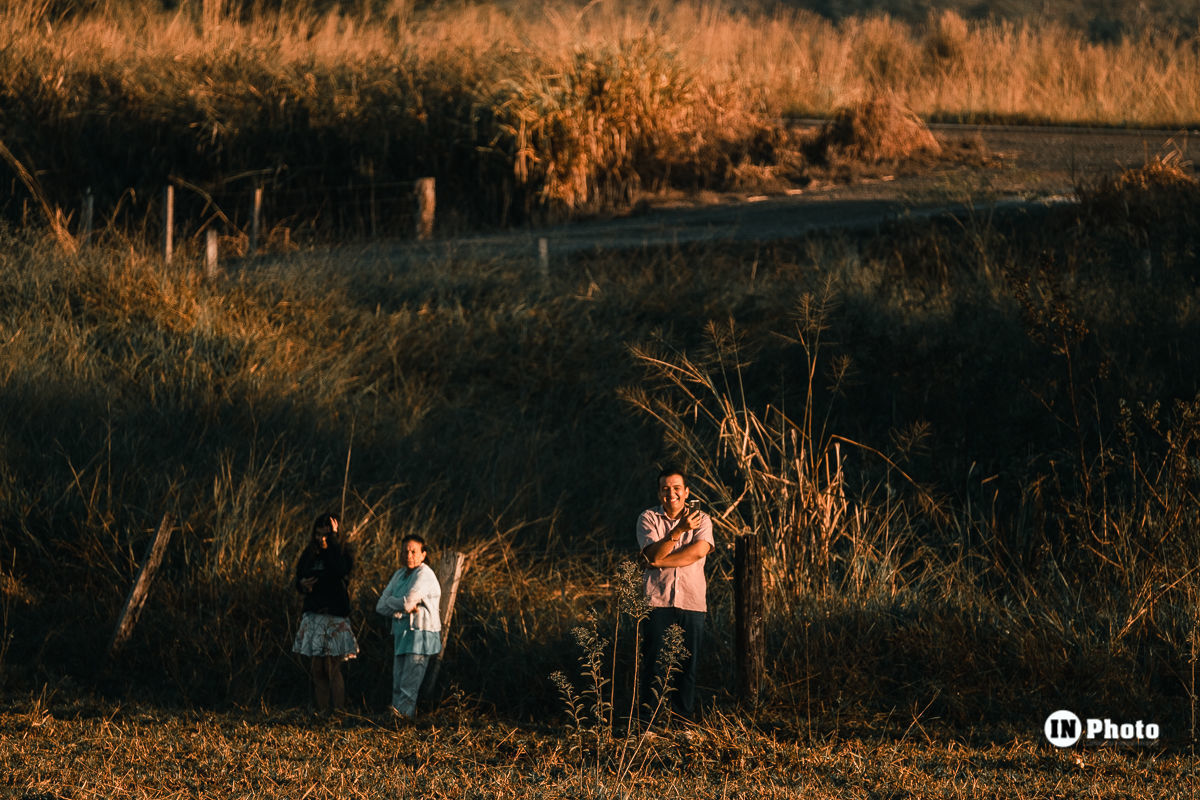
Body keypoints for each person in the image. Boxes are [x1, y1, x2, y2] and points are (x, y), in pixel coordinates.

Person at [637, 467, 714, 722]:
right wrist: (677, 531)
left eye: (676, 488)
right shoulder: (648, 518)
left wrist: (658, 562)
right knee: (653, 664)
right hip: (657, 601)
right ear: (659, 493)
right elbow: (651, 553)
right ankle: (648, 724)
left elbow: (697, 552)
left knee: (686, 666)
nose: (671, 493)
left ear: (687, 492)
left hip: (692, 601)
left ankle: (683, 723)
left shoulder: (702, 519)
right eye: (666, 489)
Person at [292, 512, 359, 713]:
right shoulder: (309, 553)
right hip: (314, 615)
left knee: (332, 667)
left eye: (326, 535)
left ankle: (338, 713)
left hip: (335, 616)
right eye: (318, 534)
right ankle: (322, 713)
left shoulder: (342, 552)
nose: (321, 539)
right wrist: (303, 584)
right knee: (317, 668)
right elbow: (299, 577)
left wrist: (333, 541)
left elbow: (341, 570)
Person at [375, 534, 442, 718]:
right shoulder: (400, 574)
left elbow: (405, 603)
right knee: (397, 683)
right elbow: (380, 606)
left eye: (413, 551)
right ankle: (395, 720)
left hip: (421, 635)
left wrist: (394, 602)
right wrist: (403, 605)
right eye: (405, 551)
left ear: (423, 554)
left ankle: (403, 723)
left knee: (408, 686)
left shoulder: (424, 574)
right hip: (402, 634)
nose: (409, 555)